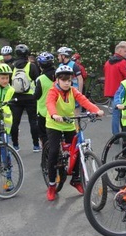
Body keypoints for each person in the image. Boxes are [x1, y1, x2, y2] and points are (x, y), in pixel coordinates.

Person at [45, 65, 104, 201]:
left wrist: (96, 110)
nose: (67, 83)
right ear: (57, 80)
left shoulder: (73, 91)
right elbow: (50, 104)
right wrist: (54, 115)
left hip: (69, 123)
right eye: (64, 80)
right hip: (54, 124)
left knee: (77, 151)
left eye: (69, 80)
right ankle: (52, 185)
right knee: (54, 151)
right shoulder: (53, 91)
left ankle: (76, 180)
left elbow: (84, 101)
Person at [9, 43, 42, 152]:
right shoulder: (31, 66)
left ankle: (15, 145)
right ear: (27, 54)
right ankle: (36, 145)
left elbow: (9, 83)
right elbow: (38, 81)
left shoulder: (12, 67)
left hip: (15, 97)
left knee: (15, 122)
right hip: (30, 97)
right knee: (33, 121)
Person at [103, 41, 126, 134]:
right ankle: (123, 134)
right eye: (125, 51)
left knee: (115, 114)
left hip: (109, 90)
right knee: (121, 114)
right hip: (119, 91)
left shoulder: (107, 62)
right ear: (120, 51)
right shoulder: (122, 62)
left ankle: (115, 134)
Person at [33, 52, 56, 148]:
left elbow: (36, 96)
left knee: (44, 135)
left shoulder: (40, 79)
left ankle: (47, 153)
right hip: (57, 110)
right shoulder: (59, 76)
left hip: (43, 111)